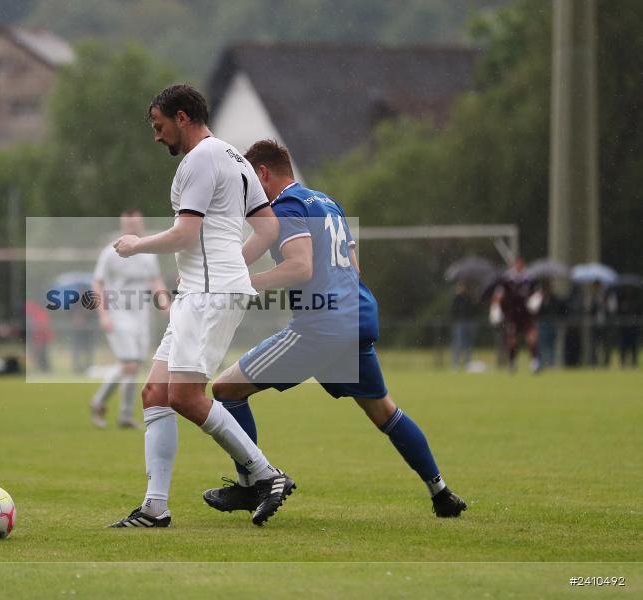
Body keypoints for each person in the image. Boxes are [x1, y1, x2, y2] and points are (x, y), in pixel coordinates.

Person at [198, 140, 467, 519]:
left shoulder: (286, 207)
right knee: (385, 413)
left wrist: (246, 284)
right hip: (355, 320)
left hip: (320, 328)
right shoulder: (326, 203)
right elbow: (353, 269)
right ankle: (440, 491)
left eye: (248, 184)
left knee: (225, 389)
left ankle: (253, 484)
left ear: (262, 174)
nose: (247, 196)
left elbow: (300, 267)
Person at [108, 84, 292, 528]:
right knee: (155, 393)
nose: (157, 136)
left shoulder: (200, 159)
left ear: (183, 117)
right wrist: (234, 271)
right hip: (205, 288)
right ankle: (155, 507)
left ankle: (267, 474)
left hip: (208, 293)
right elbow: (267, 230)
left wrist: (135, 246)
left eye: (160, 125)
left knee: (186, 397)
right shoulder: (233, 157)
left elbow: (186, 235)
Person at [89, 210, 169, 430]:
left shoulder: (148, 252)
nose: (136, 228)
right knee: (130, 364)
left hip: (141, 314)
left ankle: (98, 402)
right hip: (118, 313)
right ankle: (125, 416)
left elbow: (155, 280)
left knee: (131, 365)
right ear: (124, 226)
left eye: (138, 224)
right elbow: (97, 283)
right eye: (131, 225)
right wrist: (103, 314)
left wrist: (165, 304)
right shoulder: (110, 253)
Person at [491, 258, 540, 373]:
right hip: (511, 314)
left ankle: (535, 362)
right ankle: (512, 362)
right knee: (512, 340)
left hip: (526, 314)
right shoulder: (506, 279)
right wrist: (495, 309)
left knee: (531, 337)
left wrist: (535, 301)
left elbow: (538, 293)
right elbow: (498, 295)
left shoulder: (529, 279)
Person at [450, 280, 479, 370]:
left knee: (468, 344)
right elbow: (453, 310)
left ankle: (467, 363)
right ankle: (455, 364)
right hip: (459, 322)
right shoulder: (457, 298)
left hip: (470, 321)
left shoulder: (471, 297)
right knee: (458, 343)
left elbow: (476, 310)